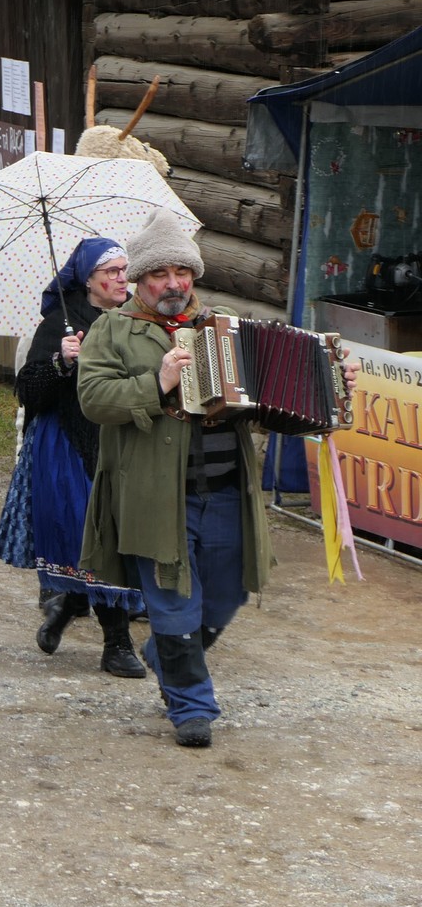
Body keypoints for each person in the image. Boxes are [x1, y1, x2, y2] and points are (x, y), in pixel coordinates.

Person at [78, 210, 356, 749]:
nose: (174, 284)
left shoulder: (225, 324)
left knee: (227, 595)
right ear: (138, 279)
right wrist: (157, 383)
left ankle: (166, 656)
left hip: (228, 490)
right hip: (157, 497)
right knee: (174, 600)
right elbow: (93, 401)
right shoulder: (112, 329)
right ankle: (192, 707)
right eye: (160, 274)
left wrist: (327, 385)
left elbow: (271, 402)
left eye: (182, 272)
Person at [0, 238, 147, 677]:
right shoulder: (60, 322)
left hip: (121, 443)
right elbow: (28, 393)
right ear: (88, 280)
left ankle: (66, 608)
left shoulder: (136, 317)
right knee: (97, 537)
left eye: (123, 269)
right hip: (67, 445)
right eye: (111, 271)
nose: (122, 278)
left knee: (109, 539)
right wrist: (61, 362)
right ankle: (117, 644)